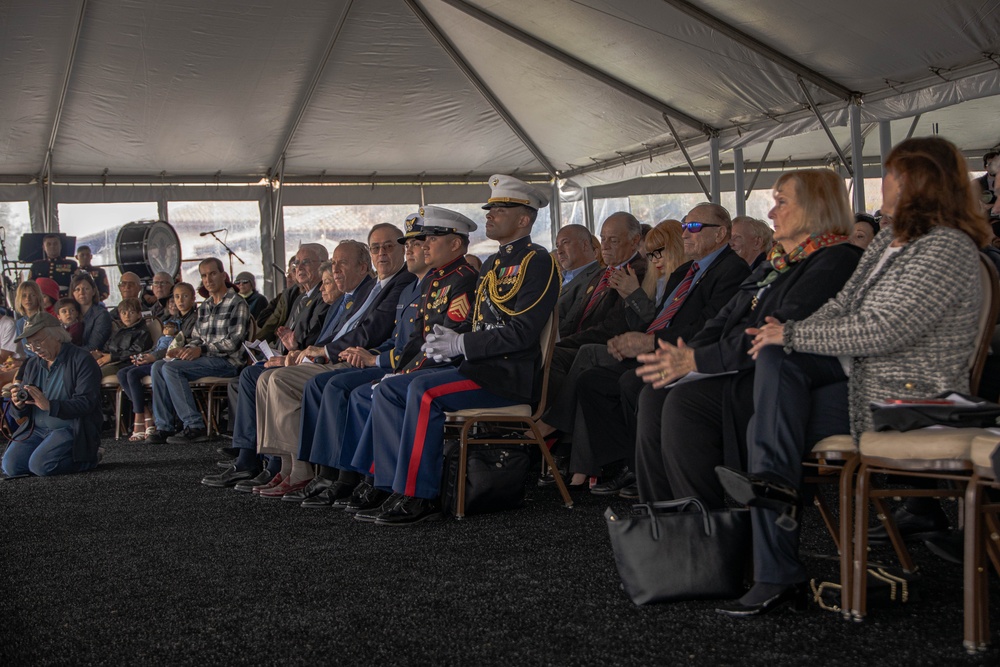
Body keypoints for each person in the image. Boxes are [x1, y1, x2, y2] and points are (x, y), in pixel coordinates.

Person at [718, 136, 991, 616]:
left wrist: (795, 335)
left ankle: (773, 533)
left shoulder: (947, 247)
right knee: (774, 373)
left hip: (911, 398)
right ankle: (775, 512)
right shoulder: (888, 239)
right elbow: (844, 307)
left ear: (916, 182)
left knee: (765, 419)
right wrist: (787, 334)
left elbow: (886, 328)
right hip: (862, 383)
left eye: (889, 174)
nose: (881, 183)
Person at [633, 169, 863, 513]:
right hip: (740, 367)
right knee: (654, 391)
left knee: (686, 403)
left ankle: (704, 527)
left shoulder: (836, 260)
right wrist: (684, 356)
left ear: (815, 208)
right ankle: (666, 522)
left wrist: (698, 362)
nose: (771, 214)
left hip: (780, 380)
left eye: (781, 203)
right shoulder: (775, 263)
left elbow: (774, 332)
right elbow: (722, 319)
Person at [356, 174, 559, 525]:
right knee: (390, 388)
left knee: (423, 390)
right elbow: (478, 321)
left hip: (505, 376)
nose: (490, 215)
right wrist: (446, 339)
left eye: (500, 209)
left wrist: (461, 342)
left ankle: (420, 496)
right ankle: (391, 485)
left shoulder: (537, 262)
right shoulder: (494, 264)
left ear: (524, 219)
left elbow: (523, 333)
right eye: (490, 209)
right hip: (477, 368)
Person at [539, 204, 749, 490]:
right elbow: (657, 316)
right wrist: (637, 340)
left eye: (694, 228)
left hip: (690, 356)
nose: (686, 233)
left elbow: (707, 326)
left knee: (629, 380)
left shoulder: (732, 269)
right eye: (685, 226)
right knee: (592, 381)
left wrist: (647, 340)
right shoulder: (687, 271)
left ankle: (642, 470)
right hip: (661, 347)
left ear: (721, 233)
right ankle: (616, 461)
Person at [296, 208, 479, 508]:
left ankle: (376, 481)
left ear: (455, 244)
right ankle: (348, 476)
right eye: (417, 242)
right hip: (410, 363)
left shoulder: (461, 280)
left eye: (426, 241)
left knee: (368, 391)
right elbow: (412, 341)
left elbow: (441, 344)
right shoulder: (424, 285)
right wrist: (389, 364)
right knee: (344, 387)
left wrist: (393, 368)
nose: (418, 248)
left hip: (445, 367)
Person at [148, 258, 250, 444]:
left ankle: (194, 425)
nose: (208, 279)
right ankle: (164, 426)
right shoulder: (206, 306)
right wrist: (184, 350)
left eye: (212, 274)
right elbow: (196, 337)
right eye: (204, 275)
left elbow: (234, 342)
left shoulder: (237, 303)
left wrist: (200, 349)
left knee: (172, 369)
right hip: (205, 359)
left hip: (228, 362)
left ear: (223, 275)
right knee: (158, 366)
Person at [1, 312, 102, 478]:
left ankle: (89, 458)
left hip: (70, 428)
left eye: (38, 342)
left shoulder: (82, 359)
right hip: (37, 429)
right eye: (29, 345)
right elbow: (21, 413)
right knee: (10, 466)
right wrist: (18, 405)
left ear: (57, 335)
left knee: (40, 466)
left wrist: (49, 405)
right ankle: (50, 454)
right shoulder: (32, 364)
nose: (34, 349)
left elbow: (87, 403)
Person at [118, 282, 198, 442]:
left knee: (153, 368)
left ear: (194, 298)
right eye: (176, 297)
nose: (180, 300)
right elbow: (160, 344)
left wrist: (154, 357)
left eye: (185, 296)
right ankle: (154, 419)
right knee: (123, 372)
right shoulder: (172, 320)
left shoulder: (196, 319)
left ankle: (150, 420)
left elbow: (183, 343)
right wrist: (144, 355)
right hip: (164, 358)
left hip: (181, 359)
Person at [614, 219, 685, 328]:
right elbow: (639, 327)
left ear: (676, 248)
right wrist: (629, 297)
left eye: (658, 252)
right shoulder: (657, 281)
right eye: (651, 255)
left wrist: (634, 293)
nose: (654, 260)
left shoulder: (686, 281)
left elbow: (660, 322)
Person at [554, 224, 602, 337]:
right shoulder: (556, 278)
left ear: (585, 245)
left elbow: (569, 327)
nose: (559, 251)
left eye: (565, 243)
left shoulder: (597, 278)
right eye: (557, 246)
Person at [91, 297, 152, 377]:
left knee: (93, 374)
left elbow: (134, 352)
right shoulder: (119, 331)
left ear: (139, 314)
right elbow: (107, 346)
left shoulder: (143, 332)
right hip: (111, 360)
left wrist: (112, 357)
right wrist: (100, 354)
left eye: (132, 313)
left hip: (124, 364)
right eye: (124, 313)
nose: (127, 316)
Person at [71, 273, 112, 352]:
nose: (81, 293)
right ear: (73, 293)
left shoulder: (101, 314)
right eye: (77, 289)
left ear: (93, 291)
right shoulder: (69, 313)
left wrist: (68, 354)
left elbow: (93, 346)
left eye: (86, 289)